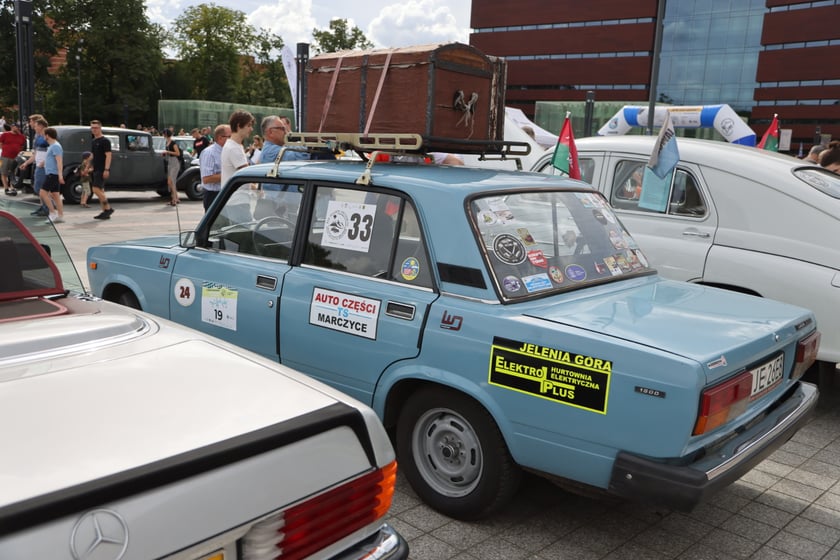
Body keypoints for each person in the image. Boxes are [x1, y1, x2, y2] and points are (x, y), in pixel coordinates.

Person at [18, 115, 50, 216]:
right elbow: (35, 153)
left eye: (32, 122)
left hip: (44, 166)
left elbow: (52, 150)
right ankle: (43, 207)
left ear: (39, 124)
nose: (30, 124)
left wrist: (45, 162)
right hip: (38, 164)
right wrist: (27, 163)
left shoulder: (47, 135)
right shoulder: (37, 136)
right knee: (38, 188)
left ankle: (48, 207)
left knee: (40, 188)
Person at [199, 124, 230, 211]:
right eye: (230, 137)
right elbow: (207, 178)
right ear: (220, 138)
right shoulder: (210, 153)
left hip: (227, 194)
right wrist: (230, 174)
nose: (233, 140)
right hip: (214, 195)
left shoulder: (228, 151)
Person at [221, 110, 254, 186]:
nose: (251, 129)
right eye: (248, 125)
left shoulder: (233, 145)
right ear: (239, 126)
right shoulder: (234, 148)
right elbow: (247, 177)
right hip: (237, 196)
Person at [90, 120, 115, 220]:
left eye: (96, 128)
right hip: (96, 168)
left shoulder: (105, 141)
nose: (94, 130)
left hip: (102, 168)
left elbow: (108, 155)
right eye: (92, 128)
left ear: (100, 128)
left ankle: (108, 208)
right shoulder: (93, 141)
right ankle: (105, 211)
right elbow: (93, 155)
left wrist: (106, 169)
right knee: (100, 190)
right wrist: (88, 166)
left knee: (95, 189)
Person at [41, 127, 65, 223]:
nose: (43, 136)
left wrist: (60, 175)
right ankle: (60, 215)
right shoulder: (52, 146)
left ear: (47, 135)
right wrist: (44, 163)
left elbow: (59, 161)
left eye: (44, 135)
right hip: (51, 173)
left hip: (52, 174)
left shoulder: (55, 146)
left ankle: (52, 212)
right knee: (55, 195)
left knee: (43, 193)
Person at [0, 122, 26, 195]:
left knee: (13, 173)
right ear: (12, 127)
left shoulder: (22, 137)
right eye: (15, 126)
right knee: (4, 172)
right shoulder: (5, 134)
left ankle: (12, 187)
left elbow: (22, 146)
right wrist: (5, 149)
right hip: (5, 156)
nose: (17, 128)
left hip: (15, 157)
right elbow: (0, 143)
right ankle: (6, 188)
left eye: (18, 127)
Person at [162, 128, 181, 205]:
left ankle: (174, 199)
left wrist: (167, 151)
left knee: (172, 181)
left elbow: (178, 153)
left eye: (163, 134)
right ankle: (176, 197)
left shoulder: (173, 143)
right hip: (170, 162)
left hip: (174, 162)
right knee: (170, 182)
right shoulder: (167, 142)